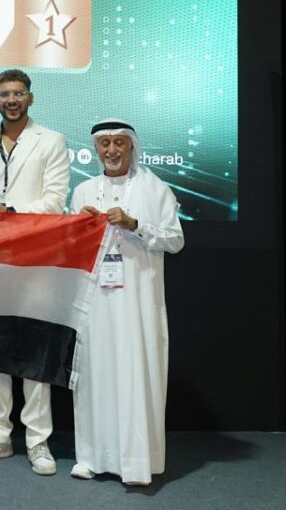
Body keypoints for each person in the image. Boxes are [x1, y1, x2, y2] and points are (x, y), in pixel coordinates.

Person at [0, 69, 69, 476]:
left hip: (36, 256)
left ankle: (38, 440)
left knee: (34, 349)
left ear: (30, 98)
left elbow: (55, 203)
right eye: (5, 94)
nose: (11, 100)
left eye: (18, 93)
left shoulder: (52, 140)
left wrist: (9, 210)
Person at [69, 119, 183, 486]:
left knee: (136, 371)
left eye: (119, 142)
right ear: (96, 149)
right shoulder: (83, 191)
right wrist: (79, 227)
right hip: (96, 300)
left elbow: (175, 240)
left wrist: (135, 224)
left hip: (138, 301)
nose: (112, 150)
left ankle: (136, 463)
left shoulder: (155, 189)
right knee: (95, 372)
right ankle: (90, 457)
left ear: (132, 147)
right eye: (105, 144)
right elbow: (70, 247)